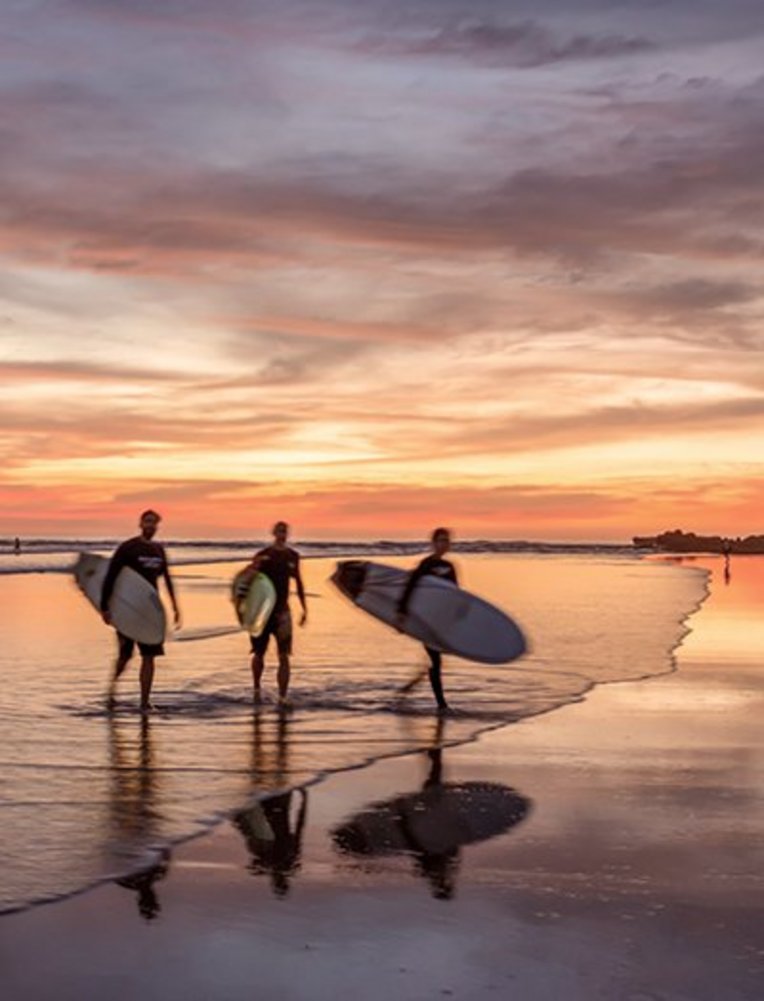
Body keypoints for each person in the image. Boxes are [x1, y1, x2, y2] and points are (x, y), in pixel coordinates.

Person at [100, 509, 181, 711]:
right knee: (125, 655)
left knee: (149, 656)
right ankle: (111, 690)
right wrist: (105, 607)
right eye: (147, 521)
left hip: (149, 612)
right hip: (128, 611)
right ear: (140, 523)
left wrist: (175, 606)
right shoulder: (128, 548)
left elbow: (167, 579)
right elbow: (111, 577)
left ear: (157, 526)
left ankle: (145, 701)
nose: (150, 525)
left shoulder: (158, 550)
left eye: (154, 522)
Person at [242, 521, 307, 705]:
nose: (282, 534)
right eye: (279, 531)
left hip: (283, 612)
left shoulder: (293, 556)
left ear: (287, 534)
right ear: (273, 533)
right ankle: (256, 688)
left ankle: (283, 696)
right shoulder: (264, 555)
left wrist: (304, 609)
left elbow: (299, 582)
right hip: (263, 612)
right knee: (258, 653)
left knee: (284, 655)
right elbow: (247, 579)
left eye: (284, 531)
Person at [397, 527, 457, 712]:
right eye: (440, 540)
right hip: (427, 619)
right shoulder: (426, 565)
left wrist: (455, 619)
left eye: (446, 541)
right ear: (433, 543)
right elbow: (410, 587)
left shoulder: (450, 567)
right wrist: (402, 613)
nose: (443, 544)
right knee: (435, 660)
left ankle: (412, 685)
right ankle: (441, 704)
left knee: (435, 660)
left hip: (441, 620)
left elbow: (455, 595)